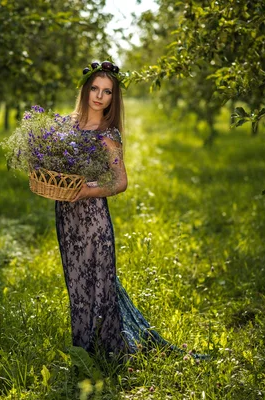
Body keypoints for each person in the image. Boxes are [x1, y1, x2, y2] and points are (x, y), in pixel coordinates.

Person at [55, 61, 207, 361]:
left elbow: (120, 182)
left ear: (113, 98)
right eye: (95, 89)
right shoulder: (66, 126)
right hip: (66, 216)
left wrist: (86, 190)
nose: (99, 96)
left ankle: (106, 351)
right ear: (86, 89)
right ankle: (82, 347)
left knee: (100, 285)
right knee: (75, 284)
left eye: (107, 92)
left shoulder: (107, 134)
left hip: (93, 219)